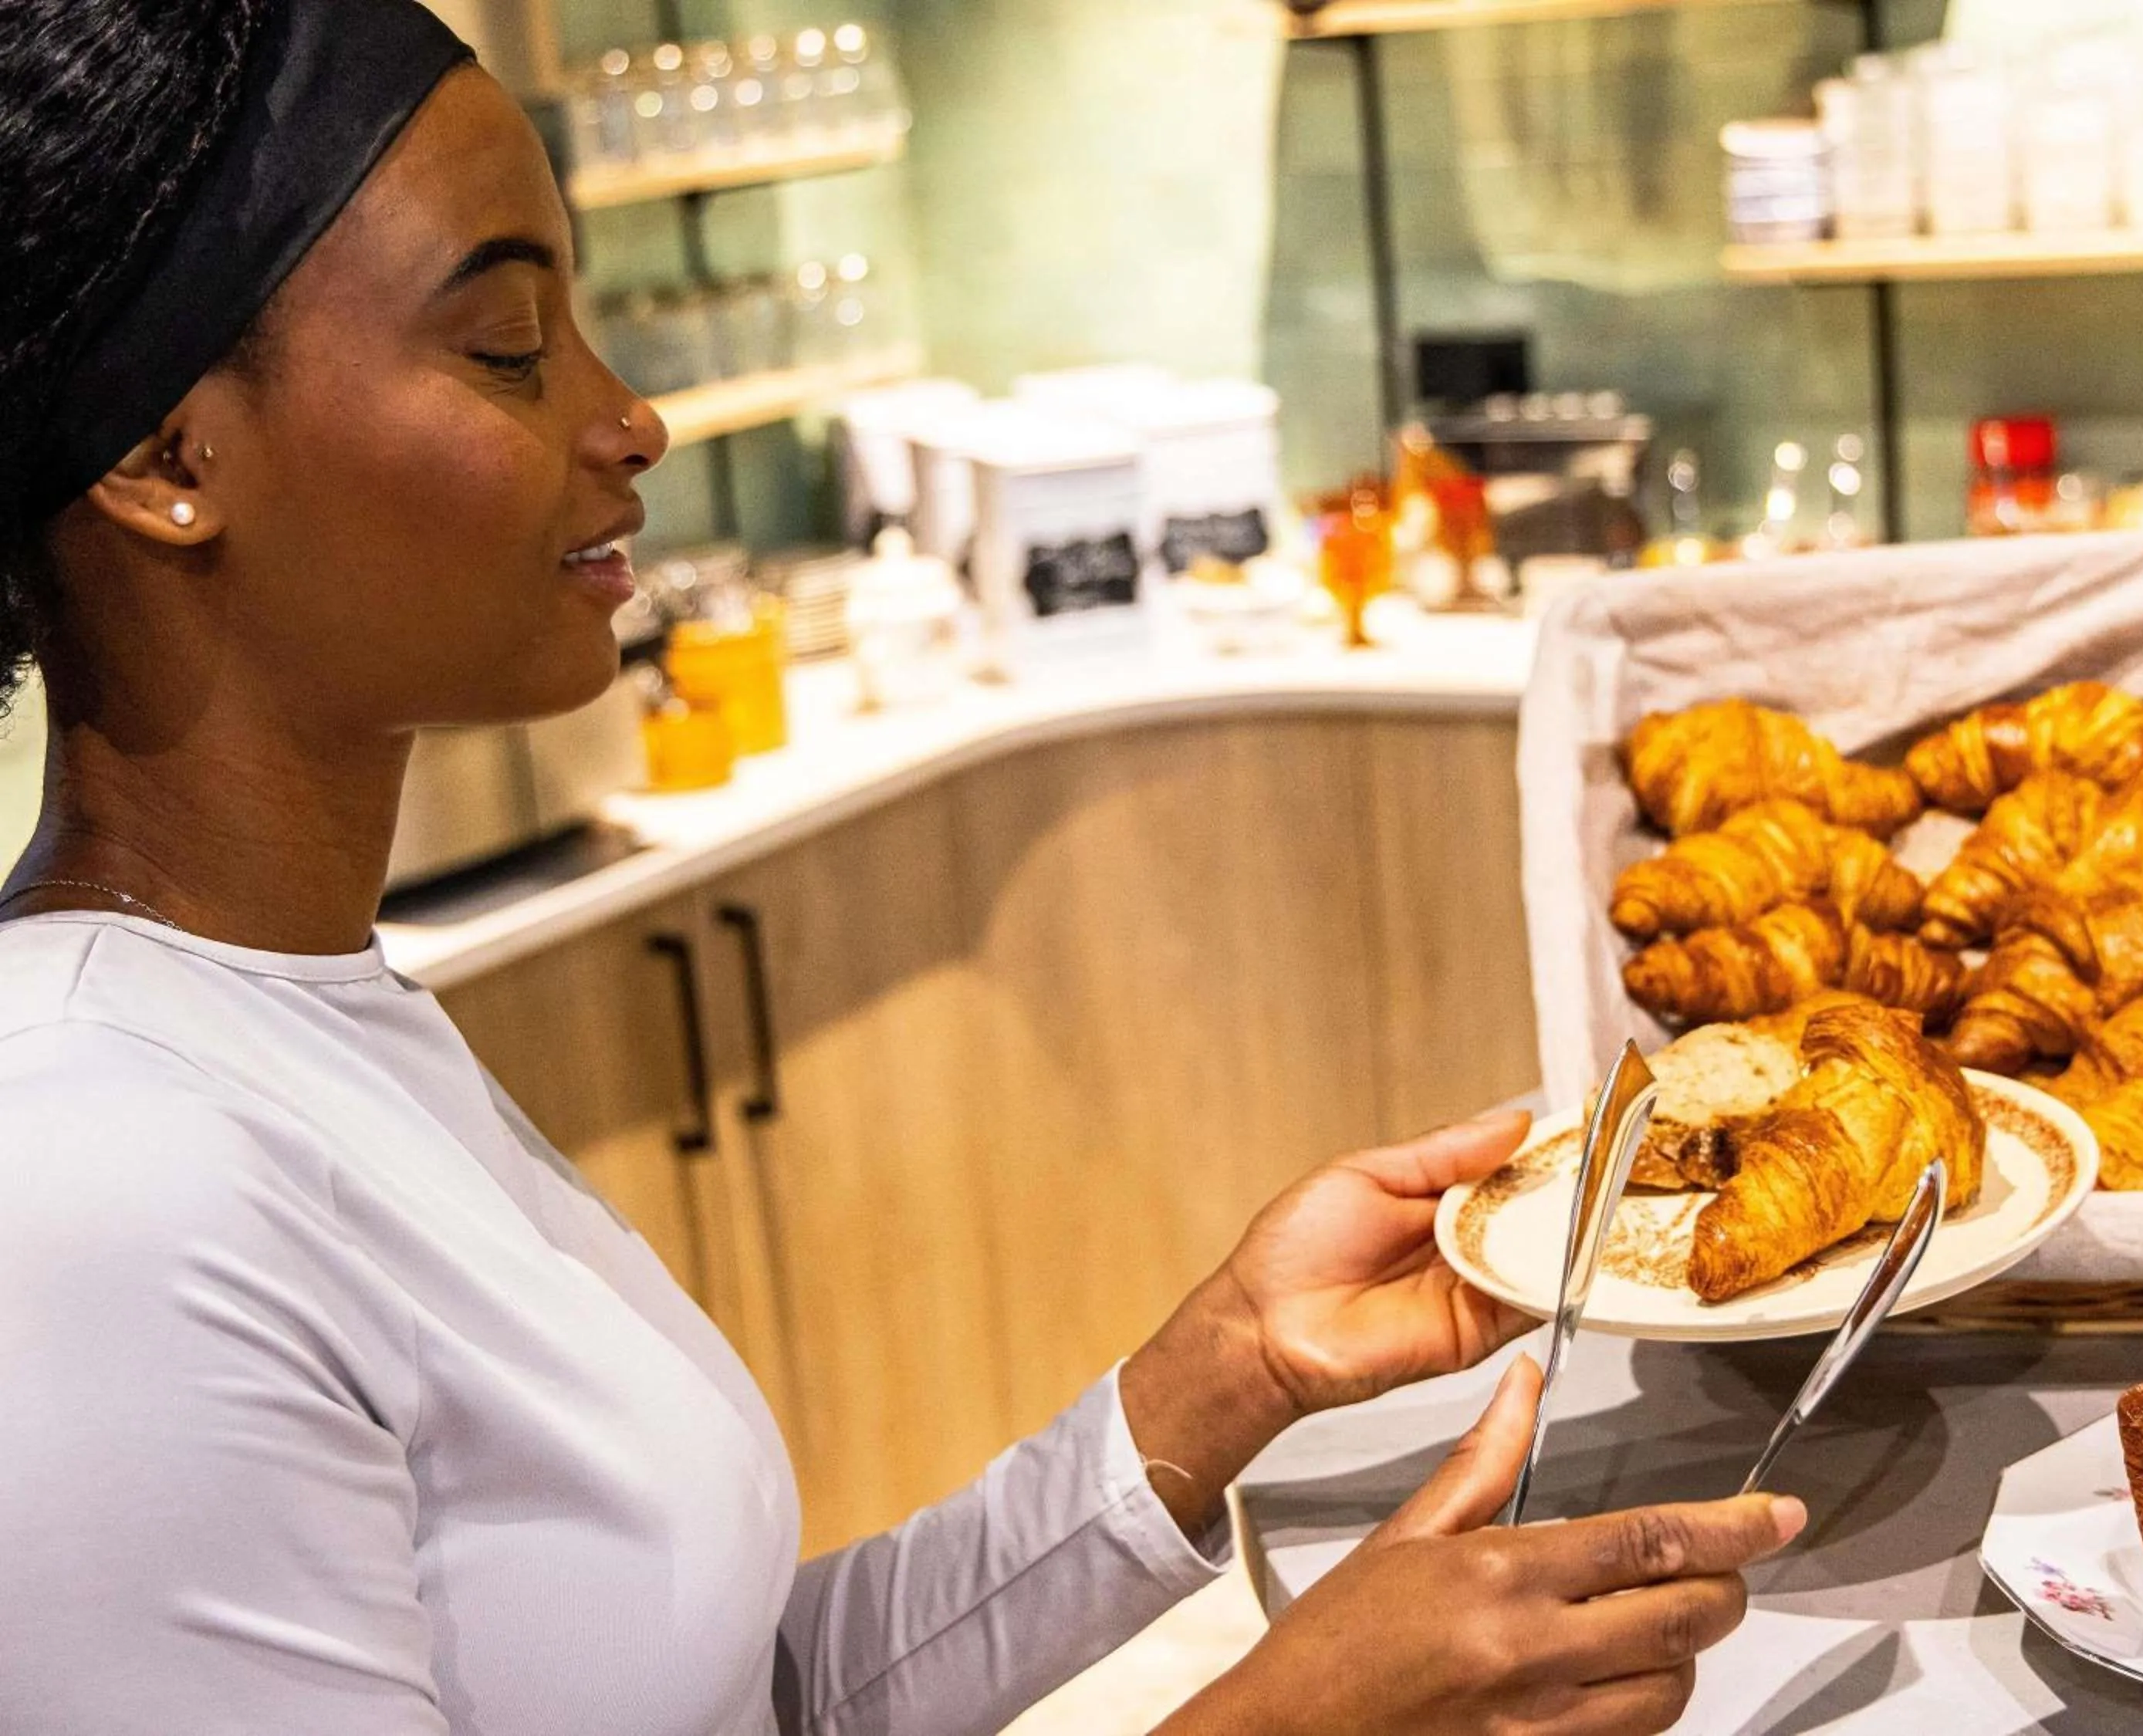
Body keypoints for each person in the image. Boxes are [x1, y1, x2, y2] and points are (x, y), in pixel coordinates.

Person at [0, 2, 1803, 1731]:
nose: (633, 422)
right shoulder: (92, 1179)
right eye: (507, 347)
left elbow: (745, 1702)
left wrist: (1226, 1375)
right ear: (170, 455)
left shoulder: (299, 1023)